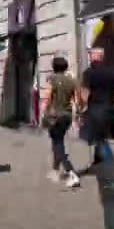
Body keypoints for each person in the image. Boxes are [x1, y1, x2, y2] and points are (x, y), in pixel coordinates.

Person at [79, 47, 114, 183]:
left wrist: (82, 108)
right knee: (101, 139)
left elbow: (85, 93)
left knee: (101, 141)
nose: (90, 56)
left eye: (90, 54)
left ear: (95, 57)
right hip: (109, 110)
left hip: (95, 111)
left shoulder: (89, 73)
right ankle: (97, 162)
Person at [40, 57, 80, 188]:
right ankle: (55, 172)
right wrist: (76, 118)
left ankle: (71, 173)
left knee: (58, 145)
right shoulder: (72, 80)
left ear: (53, 67)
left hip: (55, 116)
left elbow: (47, 97)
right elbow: (76, 100)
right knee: (58, 142)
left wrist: (42, 113)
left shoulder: (52, 79)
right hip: (67, 116)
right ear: (66, 67)